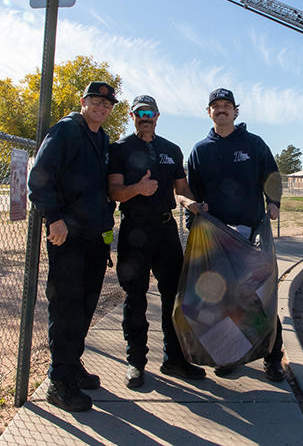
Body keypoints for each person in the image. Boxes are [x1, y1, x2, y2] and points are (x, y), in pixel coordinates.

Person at [107, 95, 208, 389]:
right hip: (133, 231)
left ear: (158, 115)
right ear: (132, 115)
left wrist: (191, 204)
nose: (145, 116)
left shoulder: (171, 150)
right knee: (134, 297)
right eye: (140, 112)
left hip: (165, 231)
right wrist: (137, 189)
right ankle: (136, 363)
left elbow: (181, 189)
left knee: (175, 297)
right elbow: (114, 191)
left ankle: (174, 359)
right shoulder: (120, 149)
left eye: (150, 112)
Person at [28, 81, 118, 412]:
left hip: (94, 237)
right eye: (95, 101)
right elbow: (39, 179)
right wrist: (54, 218)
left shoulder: (102, 138)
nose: (101, 107)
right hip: (67, 237)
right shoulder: (67, 131)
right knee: (66, 307)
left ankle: (72, 365)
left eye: (107, 105)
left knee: (84, 307)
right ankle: (59, 381)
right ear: (83, 102)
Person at [186, 88, 285, 382]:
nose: (221, 110)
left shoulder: (253, 144)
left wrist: (274, 202)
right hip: (216, 238)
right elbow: (194, 191)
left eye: (227, 105)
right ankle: (229, 356)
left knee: (258, 298)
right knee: (221, 301)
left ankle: (273, 357)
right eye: (216, 106)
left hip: (250, 235)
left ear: (235, 111)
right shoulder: (200, 150)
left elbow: (272, 176)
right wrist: (196, 217)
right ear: (209, 112)